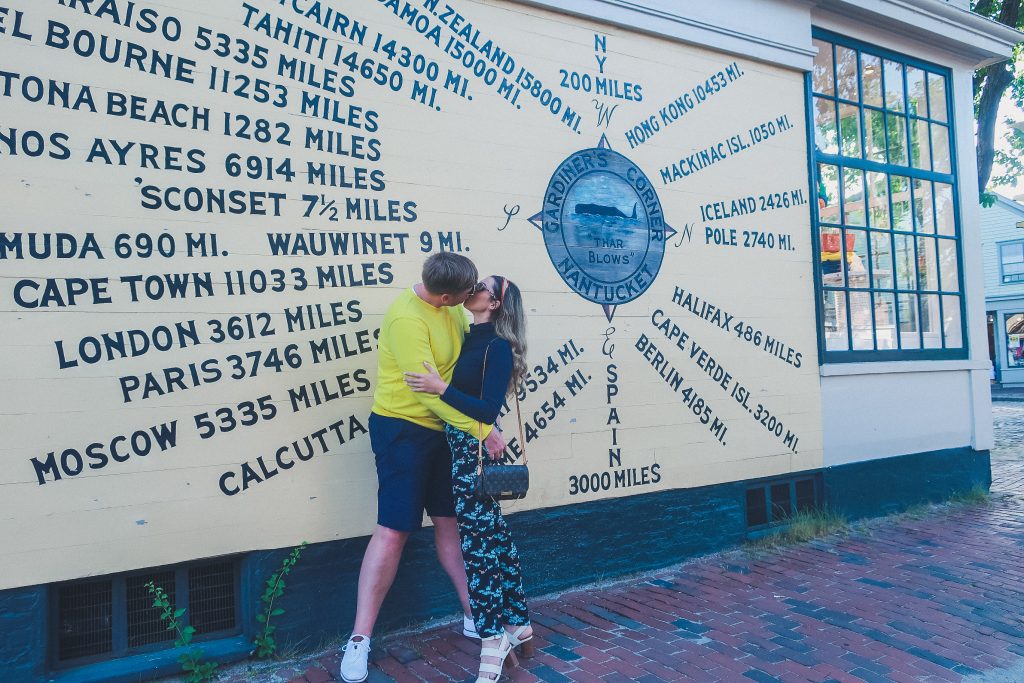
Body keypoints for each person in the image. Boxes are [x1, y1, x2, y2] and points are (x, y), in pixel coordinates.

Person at [340, 254, 507, 683]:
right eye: (467, 292)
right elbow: (430, 395)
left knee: (450, 523)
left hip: (444, 432)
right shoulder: (405, 320)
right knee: (394, 529)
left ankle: (475, 616)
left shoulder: (454, 307)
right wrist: (482, 428)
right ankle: (359, 639)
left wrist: (483, 414)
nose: (473, 296)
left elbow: (457, 378)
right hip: (403, 429)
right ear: (447, 295)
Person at [404, 275, 533, 682]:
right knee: (495, 540)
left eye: (479, 287)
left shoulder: (496, 347)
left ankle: (493, 637)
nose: (470, 289)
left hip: (473, 460)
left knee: (478, 550)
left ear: (493, 303)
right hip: (460, 455)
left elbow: (486, 410)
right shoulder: (467, 335)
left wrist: (441, 388)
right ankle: (516, 621)